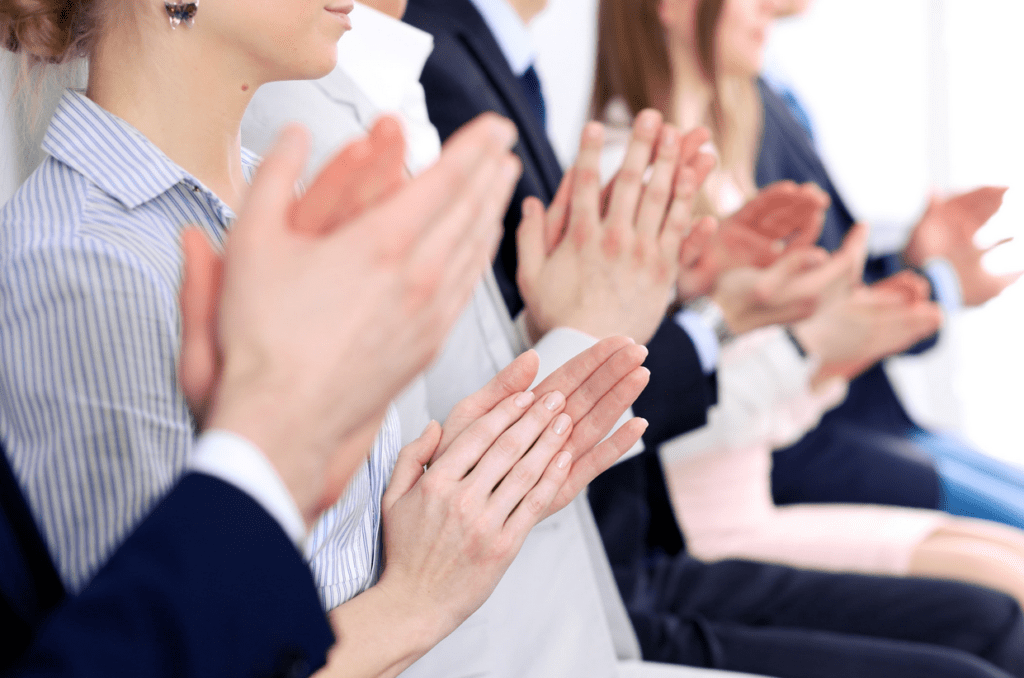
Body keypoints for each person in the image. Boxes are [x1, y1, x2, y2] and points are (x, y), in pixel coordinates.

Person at [0, 2, 652, 677]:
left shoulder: (280, 201)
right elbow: (173, 657)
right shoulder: (82, 269)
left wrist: (453, 510)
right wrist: (416, 597)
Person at [405, 0, 1024, 676]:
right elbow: (661, 403)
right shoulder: (627, 165)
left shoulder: (727, 138)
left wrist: (783, 335)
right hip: (706, 514)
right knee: (1001, 605)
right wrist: (805, 346)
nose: (787, 9)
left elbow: (713, 364)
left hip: (736, 481)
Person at [595, 0, 1024, 525]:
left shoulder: (746, 119)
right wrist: (924, 288)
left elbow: (816, 293)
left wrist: (918, 268)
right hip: (784, 454)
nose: (773, 11)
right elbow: (675, 388)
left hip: (829, 417)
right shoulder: (641, 172)